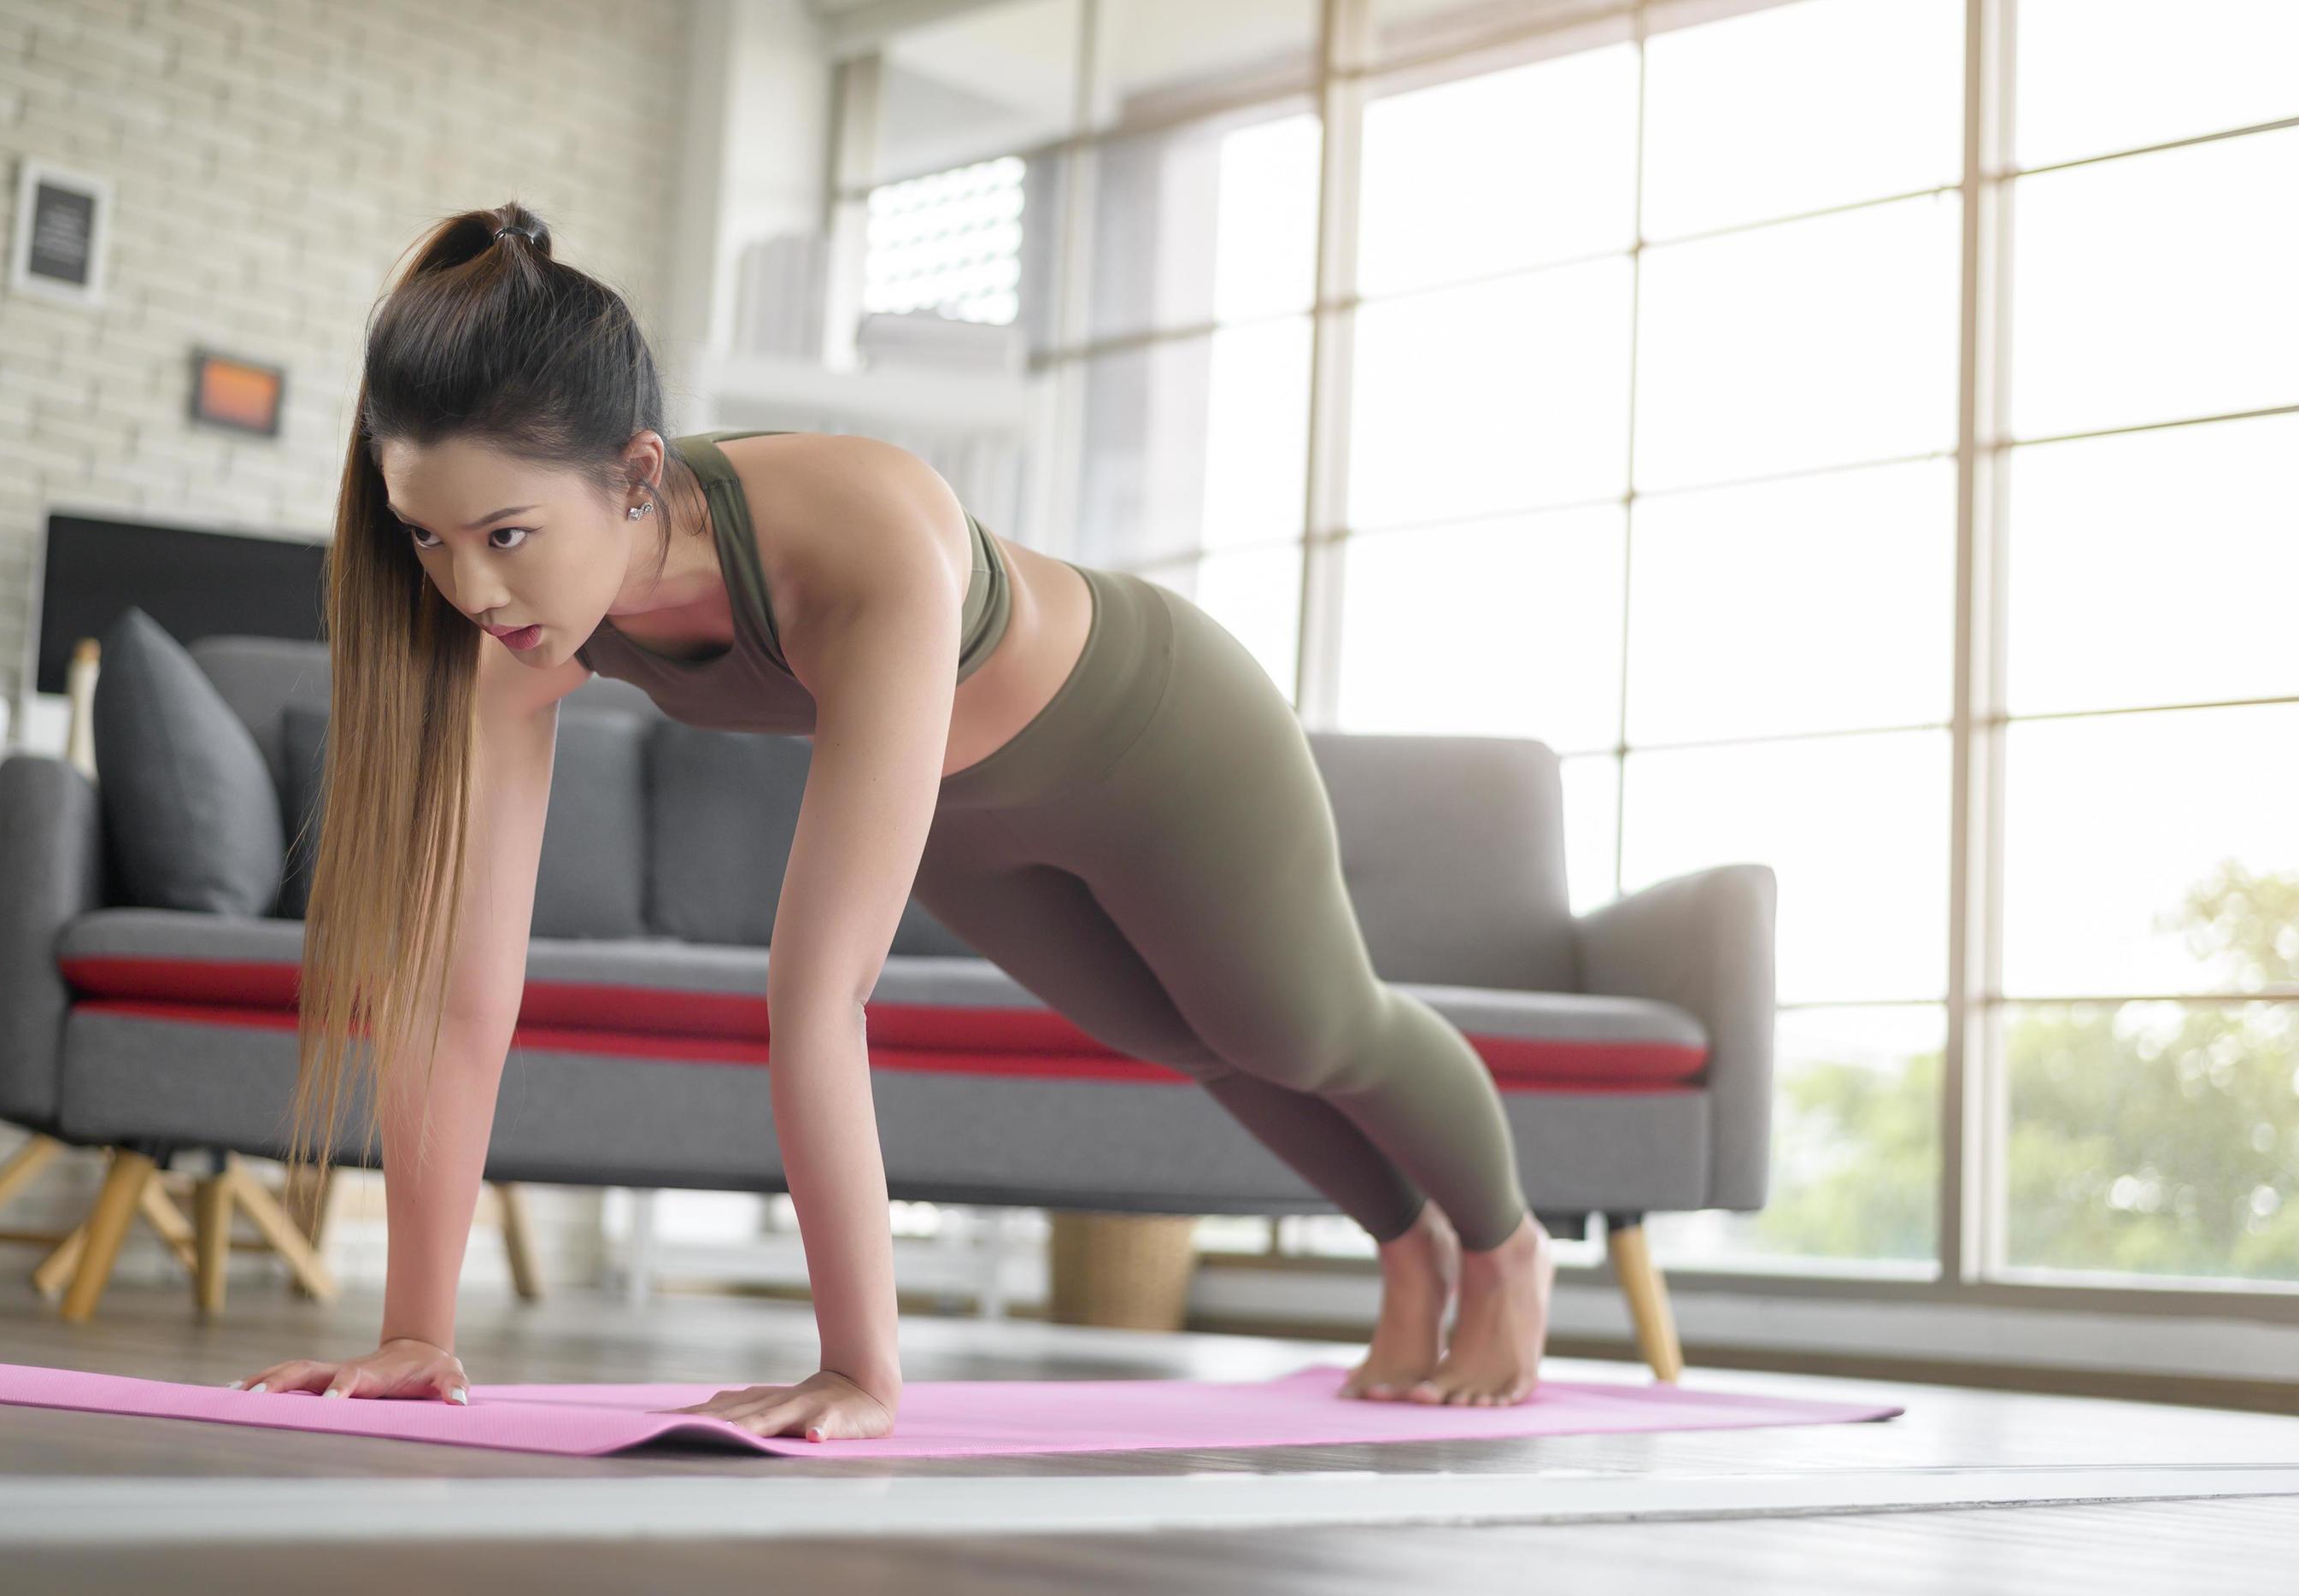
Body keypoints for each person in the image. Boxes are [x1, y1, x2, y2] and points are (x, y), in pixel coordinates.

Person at [233, 203, 1554, 1441]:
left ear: (634, 476)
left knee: (1304, 1027)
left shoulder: (858, 529)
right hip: (970, 811)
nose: (467, 586)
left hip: (1159, 738)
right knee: (1179, 1034)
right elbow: (466, 997)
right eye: (426, 539)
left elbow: (817, 997)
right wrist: (417, 1329)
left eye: (507, 535)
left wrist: (858, 1367)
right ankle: (1406, 1247)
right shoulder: (516, 638)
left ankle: (1502, 1249)